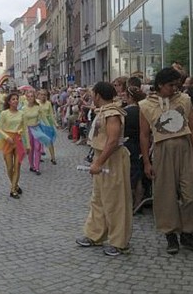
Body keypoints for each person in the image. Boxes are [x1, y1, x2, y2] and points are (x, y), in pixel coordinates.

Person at [139, 67, 193, 255]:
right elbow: (144, 135)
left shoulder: (184, 100)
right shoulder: (145, 105)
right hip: (162, 149)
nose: (175, 88)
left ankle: (188, 234)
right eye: (171, 85)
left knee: (191, 194)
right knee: (165, 194)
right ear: (160, 85)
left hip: (184, 148)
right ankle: (170, 235)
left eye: (177, 85)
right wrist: (146, 162)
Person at [76, 81, 132, 257]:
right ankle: (95, 234)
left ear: (98, 95)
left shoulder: (113, 113)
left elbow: (113, 140)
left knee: (115, 201)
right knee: (98, 198)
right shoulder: (103, 112)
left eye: (93, 93)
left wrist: (99, 162)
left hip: (112, 159)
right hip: (103, 157)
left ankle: (118, 241)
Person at [0, 93, 30, 199]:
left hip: (18, 140)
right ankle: (15, 185)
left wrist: (28, 145)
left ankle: (12, 190)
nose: (16, 101)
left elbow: (25, 129)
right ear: (9, 102)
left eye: (17, 99)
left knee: (17, 166)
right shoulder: (4, 113)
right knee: (9, 167)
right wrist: (6, 137)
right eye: (13, 99)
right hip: (7, 140)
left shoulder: (22, 113)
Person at [124, 86, 147, 212]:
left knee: (131, 173)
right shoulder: (142, 110)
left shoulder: (125, 112)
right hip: (140, 144)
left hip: (129, 143)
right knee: (138, 174)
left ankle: (132, 202)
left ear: (130, 97)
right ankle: (138, 201)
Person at [37, 89, 59, 165]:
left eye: (45, 95)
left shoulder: (48, 103)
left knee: (50, 141)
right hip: (39, 123)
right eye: (41, 94)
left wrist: (55, 123)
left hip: (47, 123)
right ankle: (38, 157)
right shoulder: (36, 103)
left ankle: (53, 158)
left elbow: (51, 114)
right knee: (39, 142)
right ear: (39, 95)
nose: (43, 96)